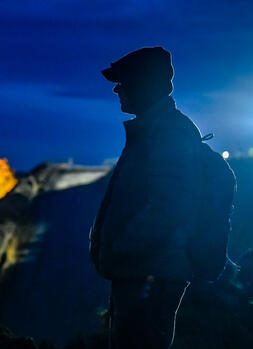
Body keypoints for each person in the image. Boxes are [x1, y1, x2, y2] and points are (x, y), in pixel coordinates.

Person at [89, 47, 202, 349]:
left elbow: (169, 206)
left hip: (150, 276)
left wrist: (121, 249)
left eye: (124, 81)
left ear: (144, 84)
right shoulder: (156, 130)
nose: (117, 89)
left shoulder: (167, 133)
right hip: (144, 274)